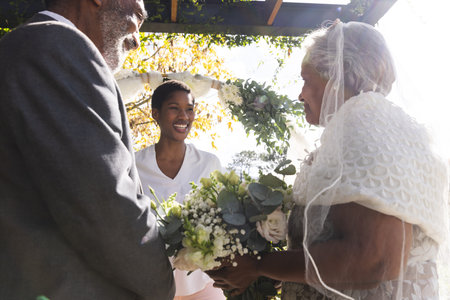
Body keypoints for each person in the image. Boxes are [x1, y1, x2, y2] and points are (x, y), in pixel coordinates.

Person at [206, 21, 449, 299]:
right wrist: (279, 272)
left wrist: (259, 266)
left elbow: (374, 259)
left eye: (307, 79)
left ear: (336, 78)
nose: (300, 94)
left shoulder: (363, 126)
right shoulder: (385, 129)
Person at [0, 0, 175, 299]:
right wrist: (163, 283)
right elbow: (103, 203)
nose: (137, 40)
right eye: (136, 20)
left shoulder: (33, 44)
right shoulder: (57, 44)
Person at [135, 80, 225, 300]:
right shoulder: (134, 165)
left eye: (189, 109)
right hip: (150, 286)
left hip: (205, 283)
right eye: (174, 108)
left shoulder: (209, 163)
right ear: (156, 113)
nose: (184, 116)